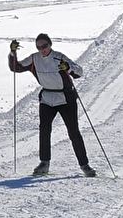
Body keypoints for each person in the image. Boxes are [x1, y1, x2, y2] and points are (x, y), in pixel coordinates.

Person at [9, 33, 96, 177]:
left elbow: (79, 72)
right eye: (39, 47)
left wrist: (67, 67)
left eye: (44, 46)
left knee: (73, 132)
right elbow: (16, 67)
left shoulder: (59, 57)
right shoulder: (34, 59)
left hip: (65, 98)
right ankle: (44, 163)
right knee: (44, 130)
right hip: (47, 98)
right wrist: (13, 53)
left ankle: (85, 165)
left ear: (50, 45)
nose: (42, 49)